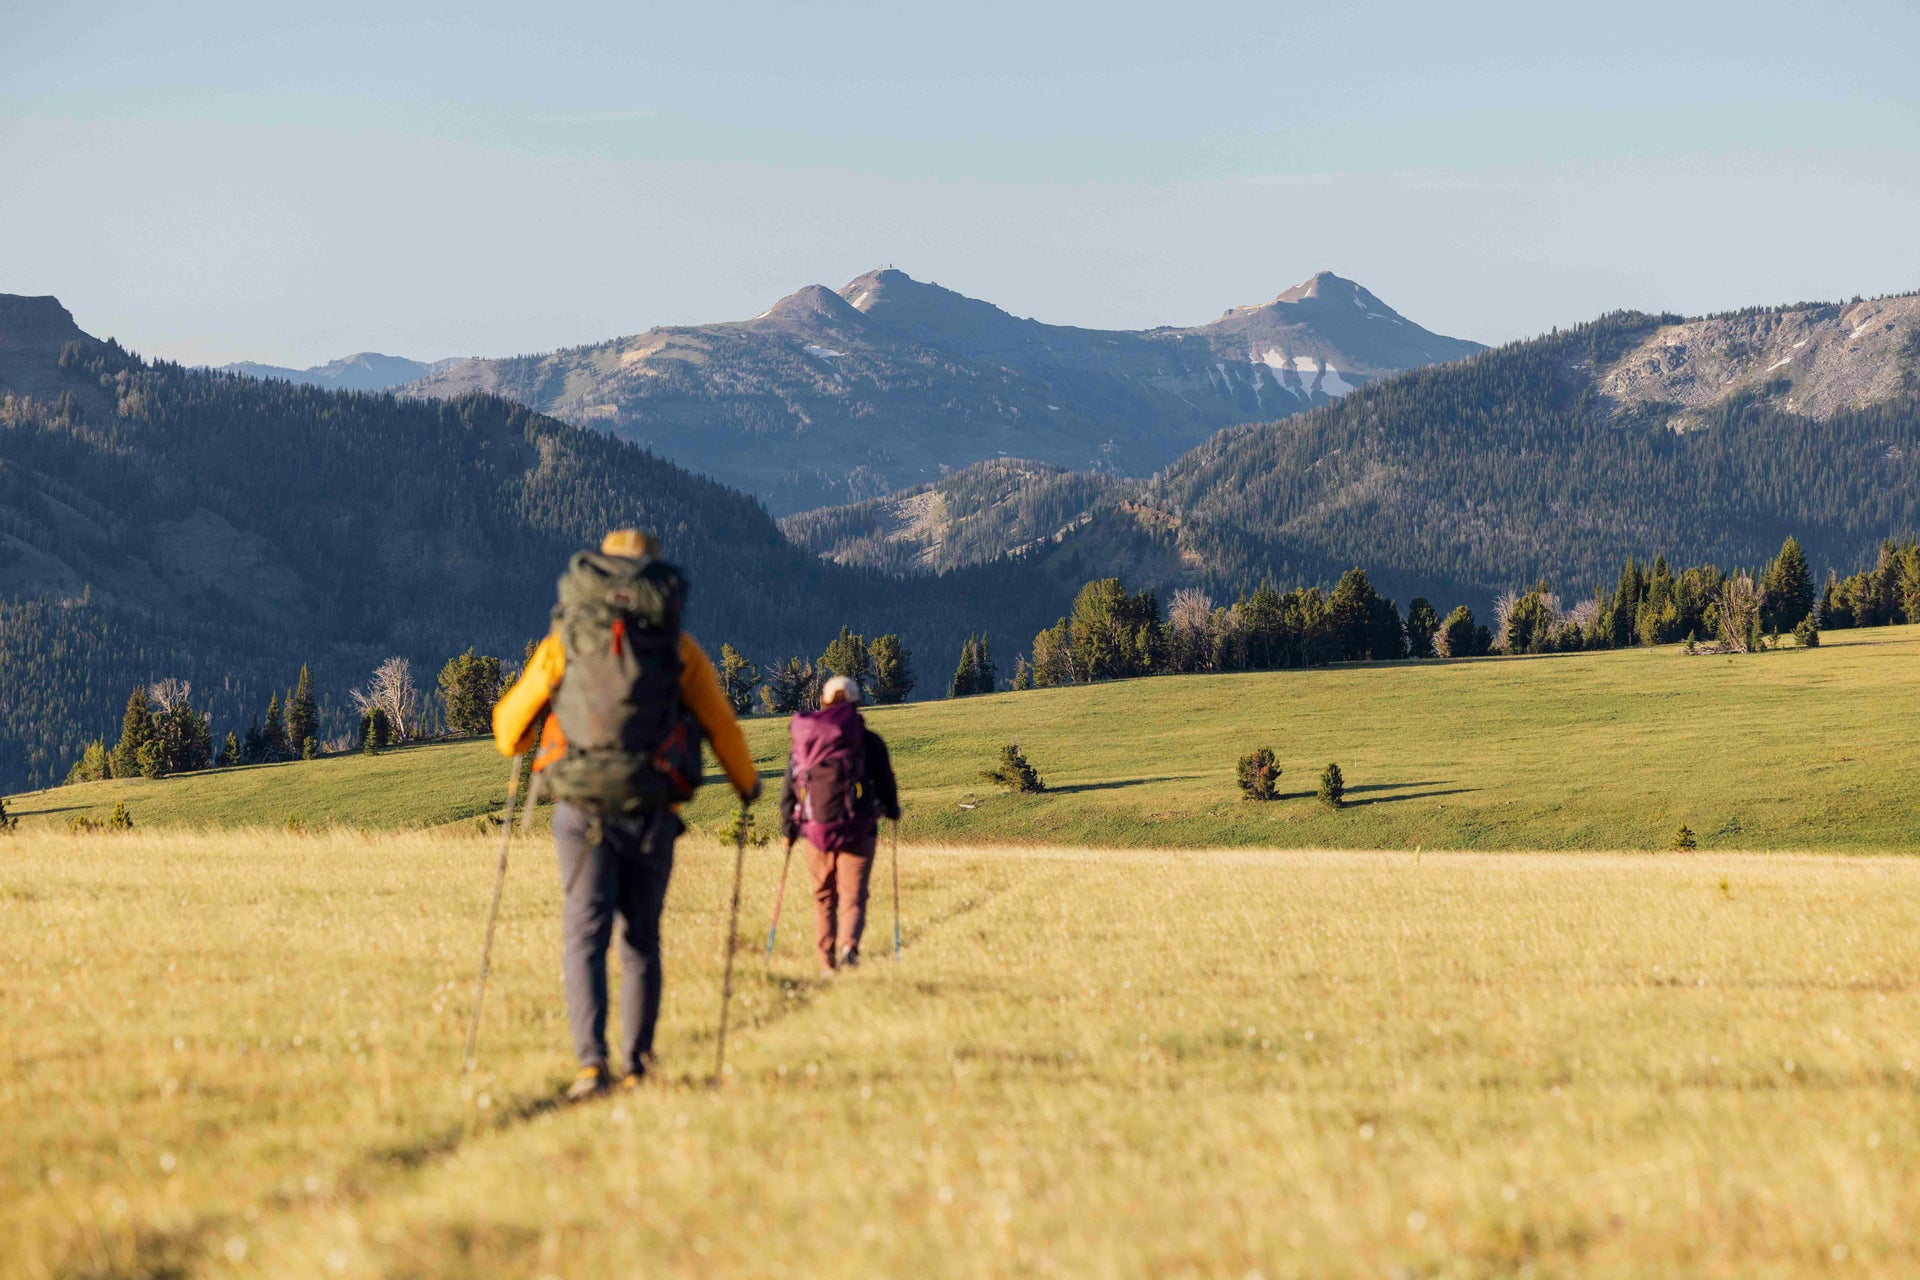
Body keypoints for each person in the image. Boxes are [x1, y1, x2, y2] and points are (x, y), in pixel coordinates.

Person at [493, 529, 760, 1101]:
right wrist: (747, 784)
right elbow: (720, 725)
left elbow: (509, 730)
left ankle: (591, 1065)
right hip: (650, 808)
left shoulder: (564, 639)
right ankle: (638, 1064)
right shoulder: (678, 649)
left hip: (580, 809)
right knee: (641, 938)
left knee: (584, 936)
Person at [780, 674, 900, 973]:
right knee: (853, 895)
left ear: (822, 702)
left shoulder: (805, 743)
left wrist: (789, 830)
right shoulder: (869, 741)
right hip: (859, 828)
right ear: (857, 703)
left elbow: (789, 788)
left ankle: (825, 962)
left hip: (816, 830)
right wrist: (892, 811)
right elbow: (885, 782)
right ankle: (849, 947)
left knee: (824, 897)